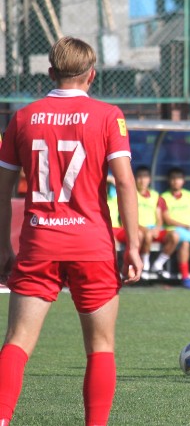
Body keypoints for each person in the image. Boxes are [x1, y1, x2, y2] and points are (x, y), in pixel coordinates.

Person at [0, 36, 142, 425]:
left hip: (39, 243)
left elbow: (2, 191)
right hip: (92, 246)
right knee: (100, 346)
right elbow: (125, 183)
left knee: (17, 341)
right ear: (92, 75)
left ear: (50, 72)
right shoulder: (108, 115)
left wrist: (2, 247)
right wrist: (133, 244)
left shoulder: (23, 117)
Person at [134, 165, 172, 280]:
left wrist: (157, 228)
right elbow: (128, 217)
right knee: (146, 235)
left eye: (145, 177)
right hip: (138, 229)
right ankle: (145, 265)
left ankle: (158, 264)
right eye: (139, 177)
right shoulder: (131, 194)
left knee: (175, 236)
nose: (142, 180)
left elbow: (159, 217)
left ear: (149, 179)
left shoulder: (155, 196)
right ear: (135, 178)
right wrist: (144, 229)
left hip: (153, 229)